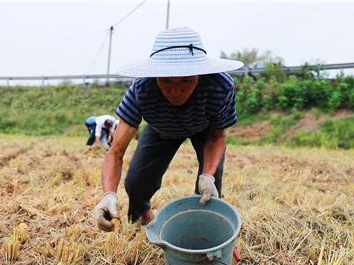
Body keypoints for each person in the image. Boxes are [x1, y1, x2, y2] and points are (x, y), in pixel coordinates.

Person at [93, 27, 243, 231]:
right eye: (166, 81)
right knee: (136, 183)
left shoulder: (220, 85)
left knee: (211, 183)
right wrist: (108, 194)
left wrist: (207, 175)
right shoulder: (142, 89)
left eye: (186, 81)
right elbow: (116, 151)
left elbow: (217, 136)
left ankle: (204, 227)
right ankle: (143, 214)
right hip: (162, 129)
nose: (175, 91)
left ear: (199, 74)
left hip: (204, 129)